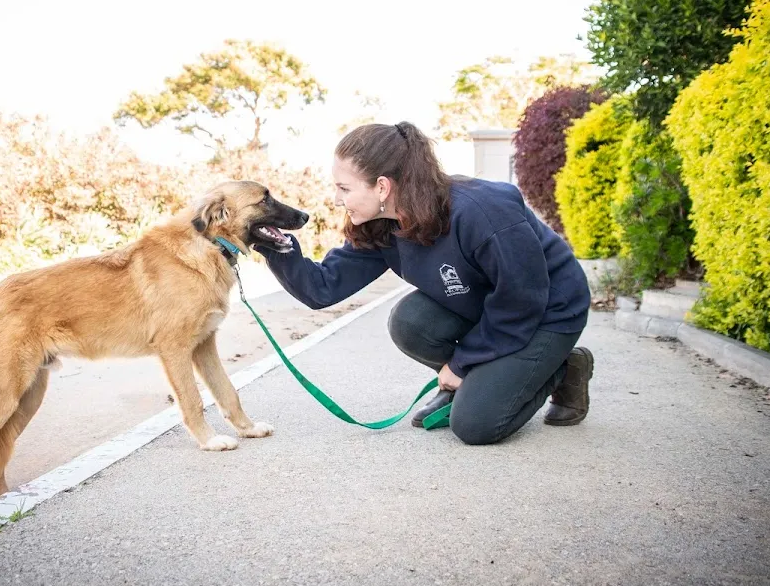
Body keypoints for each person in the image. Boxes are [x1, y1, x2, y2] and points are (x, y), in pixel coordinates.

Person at [254, 121, 593, 445]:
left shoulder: (481, 211)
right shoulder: (382, 223)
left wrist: (461, 363)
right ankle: (477, 384)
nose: (336, 199)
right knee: (410, 323)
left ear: (382, 186)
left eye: (344, 188)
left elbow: (521, 300)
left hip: (546, 310)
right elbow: (322, 287)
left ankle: (562, 368)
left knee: (476, 424)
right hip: (486, 305)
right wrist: (273, 243)